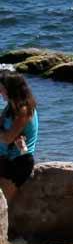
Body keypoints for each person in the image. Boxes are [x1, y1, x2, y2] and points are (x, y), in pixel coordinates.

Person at [1, 72, 37, 201]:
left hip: (18, 162)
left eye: (2, 88)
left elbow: (8, 138)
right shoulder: (10, 107)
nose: (0, 91)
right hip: (5, 159)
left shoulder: (24, 110)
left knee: (3, 206)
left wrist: (4, 134)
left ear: (10, 89)